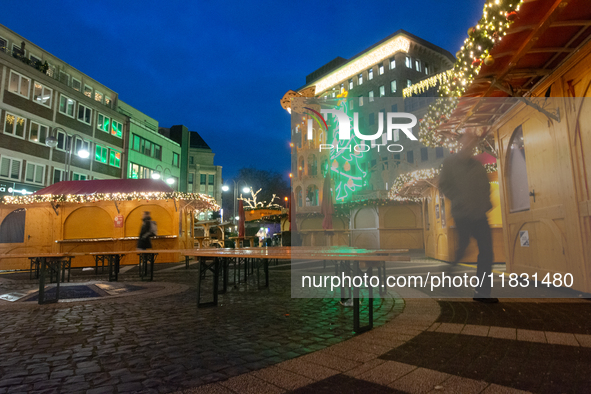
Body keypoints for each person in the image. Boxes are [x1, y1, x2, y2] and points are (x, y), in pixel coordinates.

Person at [438, 133, 498, 303]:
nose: (470, 144)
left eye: (473, 142)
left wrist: (486, 202)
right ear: (461, 143)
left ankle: (482, 293)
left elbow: (486, 186)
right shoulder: (450, 163)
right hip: (462, 214)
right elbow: (443, 184)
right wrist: (458, 200)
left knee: (486, 251)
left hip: (479, 214)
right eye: (467, 140)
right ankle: (450, 269)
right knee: (464, 247)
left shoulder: (478, 165)